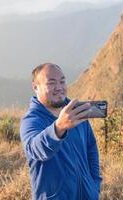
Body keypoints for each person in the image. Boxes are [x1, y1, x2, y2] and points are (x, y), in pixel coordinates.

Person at [20, 63, 102, 200]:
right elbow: (35, 149)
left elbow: (91, 149)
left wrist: (94, 185)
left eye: (62, 81)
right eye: (51, 83)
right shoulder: (31, 120)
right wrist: (58, 128)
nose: (59, 87)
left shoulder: (77, 113)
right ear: (35, 87)